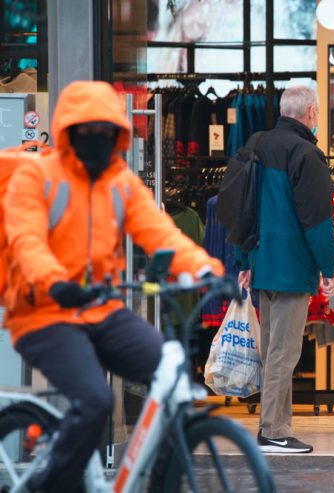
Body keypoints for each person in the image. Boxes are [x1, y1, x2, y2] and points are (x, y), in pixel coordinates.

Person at [4, 80, 224, 493]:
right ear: (68, 131)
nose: (96, 139)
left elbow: (162, 234)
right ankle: (47, 485)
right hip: (44, 313)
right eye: (86, 131)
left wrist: (206, 269)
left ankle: (155, 478)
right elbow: (26, 242)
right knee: (96, 401)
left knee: (170, 376)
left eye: (105, 131)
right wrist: (57, 284)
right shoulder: (36, 178)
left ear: (117, 134)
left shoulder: (119, 182)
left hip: (102, 309)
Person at [236, 86, 334, 454]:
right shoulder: (306, 153)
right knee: (283, 351)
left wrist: (244, 260)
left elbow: (240, 208)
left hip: (263, 262)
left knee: (275, 349)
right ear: (311, 112)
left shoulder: (257, 144)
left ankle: (277, 427)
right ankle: (273, 431)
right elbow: (318, 221)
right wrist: (329, 267)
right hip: (292, 265)